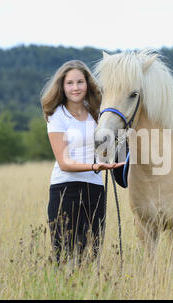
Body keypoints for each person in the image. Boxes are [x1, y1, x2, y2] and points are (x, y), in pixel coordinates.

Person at [40, 60, 123, 264]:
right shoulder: (57, 116)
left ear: (87, 84)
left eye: (80, 82)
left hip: (94, 190)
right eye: (70, 83)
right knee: (64, 256)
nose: (75, 87)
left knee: (91, 256)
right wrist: (96, 167)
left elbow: (110, 144)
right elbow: (64, 162)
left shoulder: (98, 114)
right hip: (65, 190)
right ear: (62, 86)